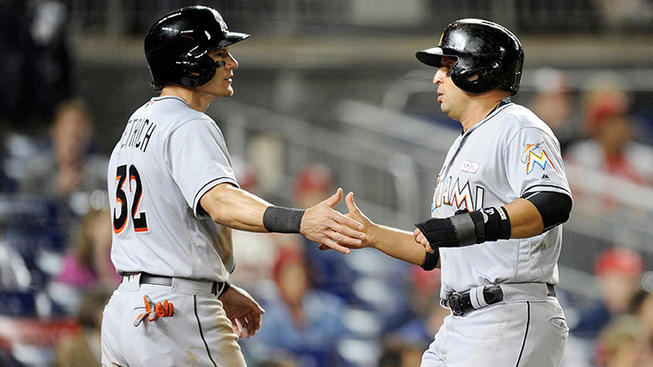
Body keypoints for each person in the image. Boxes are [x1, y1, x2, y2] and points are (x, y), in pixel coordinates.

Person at [100, 6, 364, 367]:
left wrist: (219, 288)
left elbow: (169, 226)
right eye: (219, 54)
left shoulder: (139, 123)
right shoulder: (188, 124)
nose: (232, 63)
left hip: (127, 311)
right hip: (173, 314)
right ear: (190, 64)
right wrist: (300, 220)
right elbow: (221, 202)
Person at [342, 19, 573, 366]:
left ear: (477, 71)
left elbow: (553, 202)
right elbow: (437, 251)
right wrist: (371, 234)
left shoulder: (518, 126)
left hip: (507, 313)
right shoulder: (462, 145)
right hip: (461, 321)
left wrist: (461, 226)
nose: (437, 77)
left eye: (448, 67)